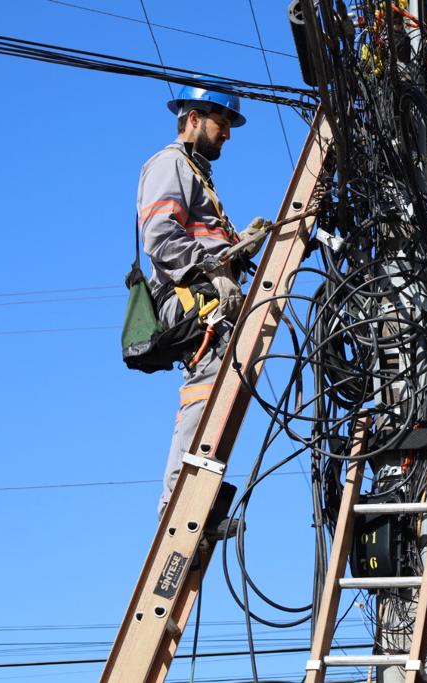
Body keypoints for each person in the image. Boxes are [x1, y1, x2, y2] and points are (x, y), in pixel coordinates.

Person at [136, 85, 268, 516]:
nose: (227, 134)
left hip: (208, 292)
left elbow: (201, 240)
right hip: (189, 297)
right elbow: (159, 237)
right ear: (193, 117)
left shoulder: (196, 173)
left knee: (225, 386)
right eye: (222, 123)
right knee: (206, 386)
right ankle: (178, 496)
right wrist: (212, 270)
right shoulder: (170, 164)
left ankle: (202, 490)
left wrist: (238, 248)